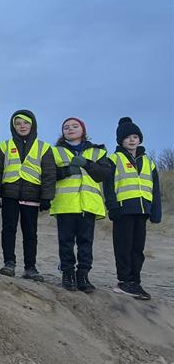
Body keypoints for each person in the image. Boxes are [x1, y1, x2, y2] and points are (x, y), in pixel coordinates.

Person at [49, 117, 113, 292]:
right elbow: (49, 175)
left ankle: (83, 275)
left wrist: (87, 164)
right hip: (65, 204)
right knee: (66, 242)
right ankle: (67, 273)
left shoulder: (98, 152)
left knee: (86, 242)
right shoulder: (55, 152)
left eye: (74, 126)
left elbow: (104, 175)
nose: (70, 129)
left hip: (88, 204)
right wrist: (66, 171)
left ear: (83, 130)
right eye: (66, 127)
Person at [0, 110, 55, 281]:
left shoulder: (44, 147)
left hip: (32, 196)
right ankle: (9, 264)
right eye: (18, 123)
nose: (22, 126)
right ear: (13, 127)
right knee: (8, 230)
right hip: (9, 195)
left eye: (25, 122)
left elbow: (49, 174)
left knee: (30, 233)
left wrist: (46, 197)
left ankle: (30, 268)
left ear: (32, 125)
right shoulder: (4, 146)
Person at [104, 117, 162, 301]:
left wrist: (156, 211)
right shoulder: (114, 159)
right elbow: (108, 186)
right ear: (120, 140)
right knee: (123, 246)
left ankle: (135, 281)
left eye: (135, 136)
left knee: (138, 248)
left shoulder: (149, 162)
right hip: (123, 211)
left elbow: (156, 189)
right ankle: (124, 281)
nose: (132, 140)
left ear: (140, 139)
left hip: (143, 211)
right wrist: (112, 207)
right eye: (128, 137)